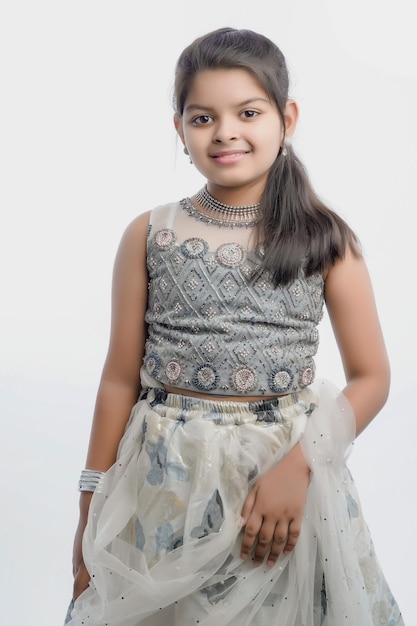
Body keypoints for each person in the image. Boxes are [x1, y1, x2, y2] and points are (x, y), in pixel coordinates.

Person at [64, 27, 404, 626]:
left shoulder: (325, 240)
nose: (225, 132)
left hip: (278, 489)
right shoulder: (150, 234)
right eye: (202, 117)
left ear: (286, 117)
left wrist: (299, 468)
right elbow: (119, 379)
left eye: (248, 112)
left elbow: (372, 378)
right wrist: (89, 508)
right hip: (160, 485)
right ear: (179, 128)